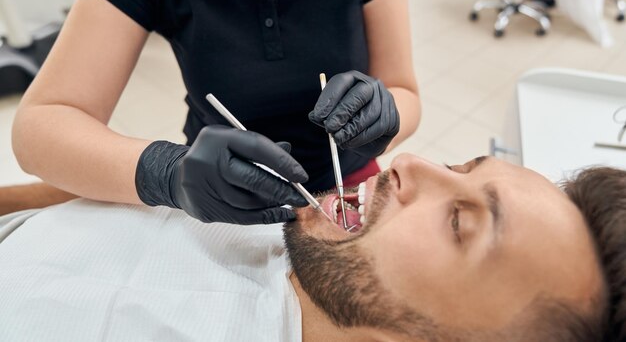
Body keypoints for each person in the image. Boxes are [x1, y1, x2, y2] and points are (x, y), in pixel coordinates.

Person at [9, 0, 420, 224]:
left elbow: (404, 90)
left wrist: (387, 113)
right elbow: (39, 127)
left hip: (348, 182)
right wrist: (168, 172)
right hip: (219, 194)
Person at [0, 154, 623, 341]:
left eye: (460, 223)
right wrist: (154, 173)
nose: (411, 164)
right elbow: (68, 200)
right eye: (462, 164)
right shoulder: (296, 224)